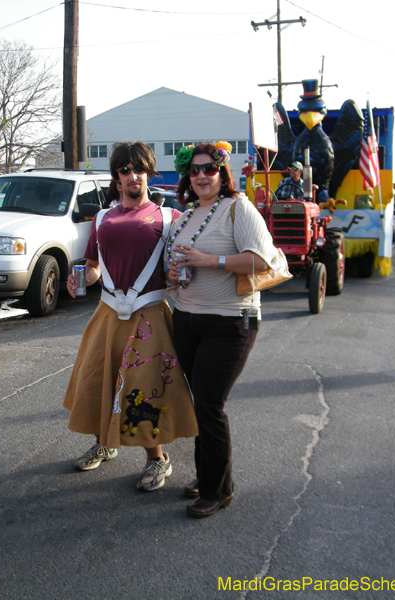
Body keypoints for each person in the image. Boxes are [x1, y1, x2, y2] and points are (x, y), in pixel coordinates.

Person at [63, 141, 197, 492]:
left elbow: (182, 268)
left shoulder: (170, 219)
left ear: (149, 173)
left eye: (139, 169)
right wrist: (81, 278)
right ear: (116, 178)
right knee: (98, 381)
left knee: (146, 391)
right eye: (125, 170)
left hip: (149, 315)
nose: (132, 176)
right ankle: (105, 443)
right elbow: (92, 268)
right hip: (107, 313)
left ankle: (157, 459)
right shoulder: (102, 218)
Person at [166, 141, 283, 518]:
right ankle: (207, 475)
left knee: (211, 405)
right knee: (200, 404)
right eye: (194, 170)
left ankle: (219, 490)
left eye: (209, 169)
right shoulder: (185, 216)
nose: (201, 176)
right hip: (186, 318)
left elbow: (260, 259)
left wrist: (209, 260)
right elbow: (176, 261)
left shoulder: (238, 208)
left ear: (222, 173)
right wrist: (172, 273)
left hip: (231, 320)